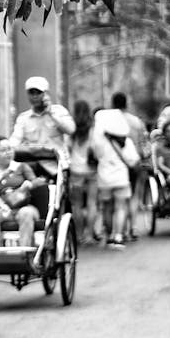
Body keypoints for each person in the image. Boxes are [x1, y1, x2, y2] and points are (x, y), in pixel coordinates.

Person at [0, 136, 43, 247]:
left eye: (10, 149)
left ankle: (25, 251)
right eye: (3, 150)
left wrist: (29, 185)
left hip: (24, 207)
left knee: (25, 212)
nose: (8, 153)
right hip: (2, 210)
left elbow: (38, 182)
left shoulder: (21, 167)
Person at [91, 108, 140, 249]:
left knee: (106, 207)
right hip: (121, 178)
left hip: (104, 178)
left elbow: (95, 156)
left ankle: (108, 234)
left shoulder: (99, 142)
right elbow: (133, 160)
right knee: (120, 207)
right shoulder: (126, 141)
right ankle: (118, 236)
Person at [9, 76, 76, 176]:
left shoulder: (59, 111)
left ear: (46, 94)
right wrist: (6, 148)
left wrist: (51, 114)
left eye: (38, 93)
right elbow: (15, 139)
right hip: (33, 165)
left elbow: (71, 130)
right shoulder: (23, 118)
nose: (35, 96)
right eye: (32, 93)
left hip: (56, 166)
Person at [110, 91, 150, 240]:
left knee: (119, 200)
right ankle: (132, 228)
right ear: (126, 103)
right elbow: (144, 143)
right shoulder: (136, 121)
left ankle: (119, 230)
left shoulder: (111, 122)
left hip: (116, 163)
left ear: (113, 104)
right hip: (134, 163)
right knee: (134, 196)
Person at [67, 100, 99, 244]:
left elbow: (66, 148)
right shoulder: (93, 128)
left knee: (77, 205)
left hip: (75, 170)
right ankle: (89, 235)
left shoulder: (71, 129)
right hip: (92, 170)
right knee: (92, 203)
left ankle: (79, 235)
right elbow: (98, 148)